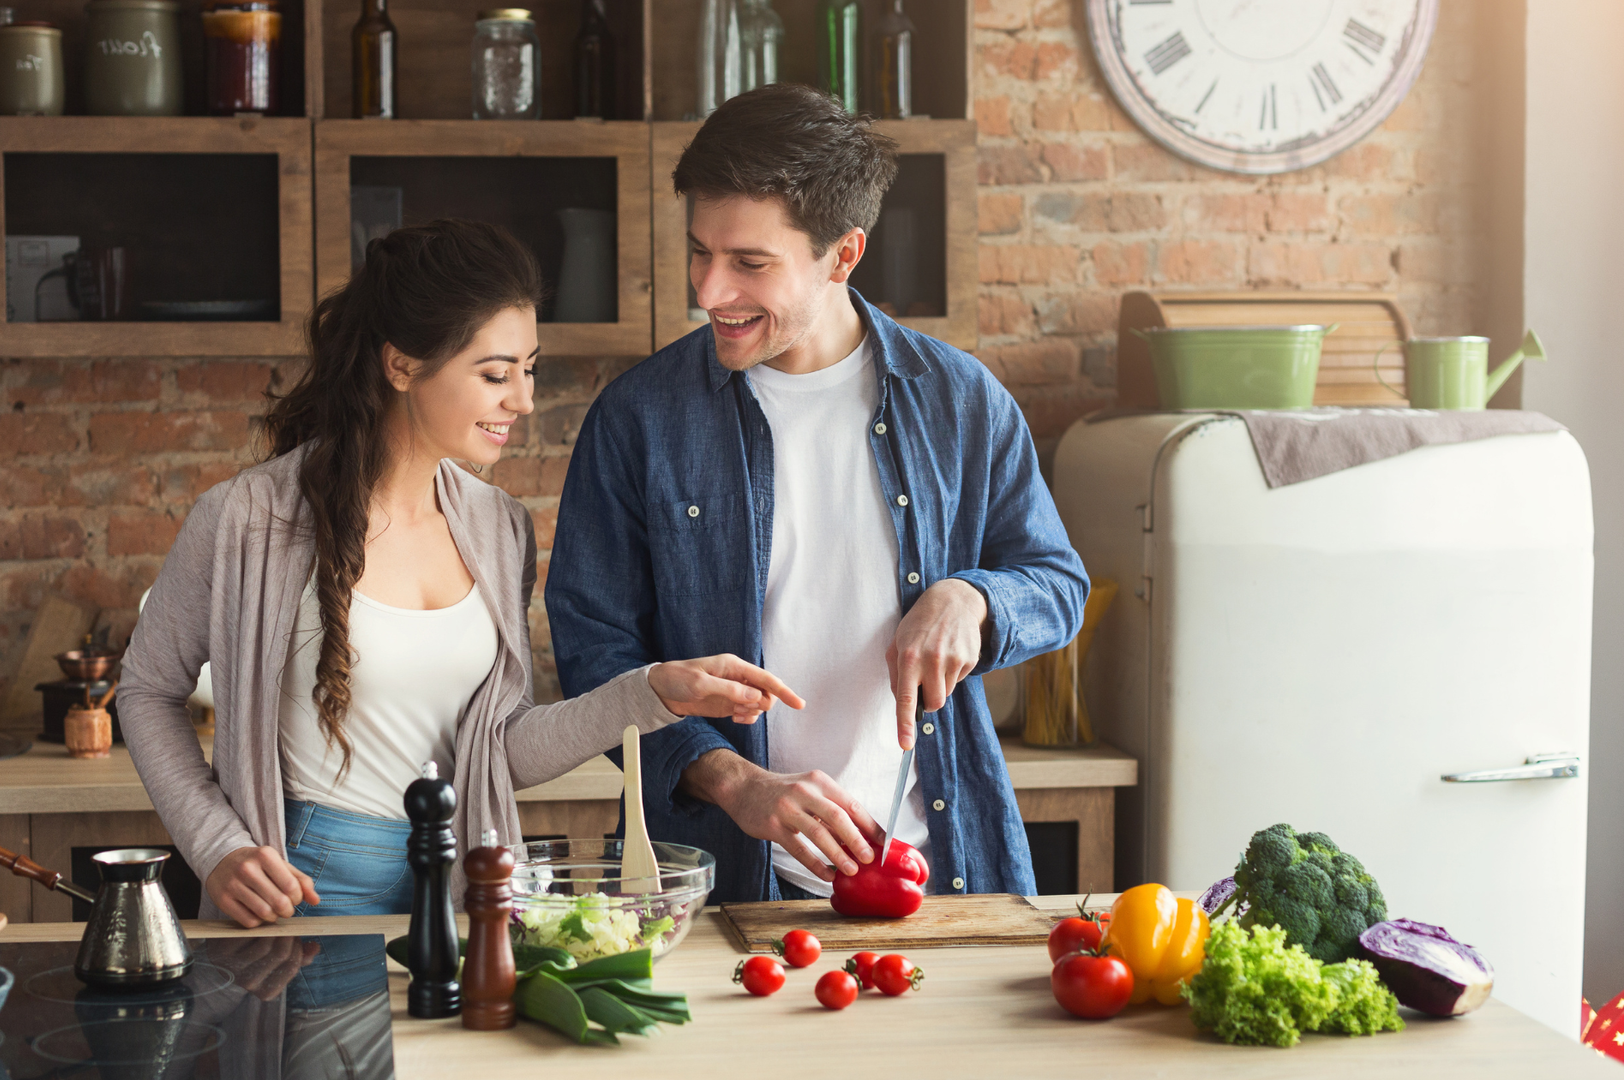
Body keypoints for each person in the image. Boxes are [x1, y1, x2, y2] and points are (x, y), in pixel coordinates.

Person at [119, 220, 801, 926]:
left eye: (528, 369)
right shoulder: (247, 519)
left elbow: (498, 750)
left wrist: (652, 692)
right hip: (305, 886)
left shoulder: (498, 528)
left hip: (463, 889)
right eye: (495, 374)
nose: (524, 400)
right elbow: (146, 690)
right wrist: (216, 845)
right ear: (402, 366)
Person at [546, 85, 1090, 905]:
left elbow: (1057, 583)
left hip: (937, 874)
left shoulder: (961, 402)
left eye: (750, 264)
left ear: (843, 254)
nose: (709, 290)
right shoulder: (639, 420)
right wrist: (733, 780)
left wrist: (972, 599)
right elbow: (595, 654)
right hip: (721, 885)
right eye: (700, 251)